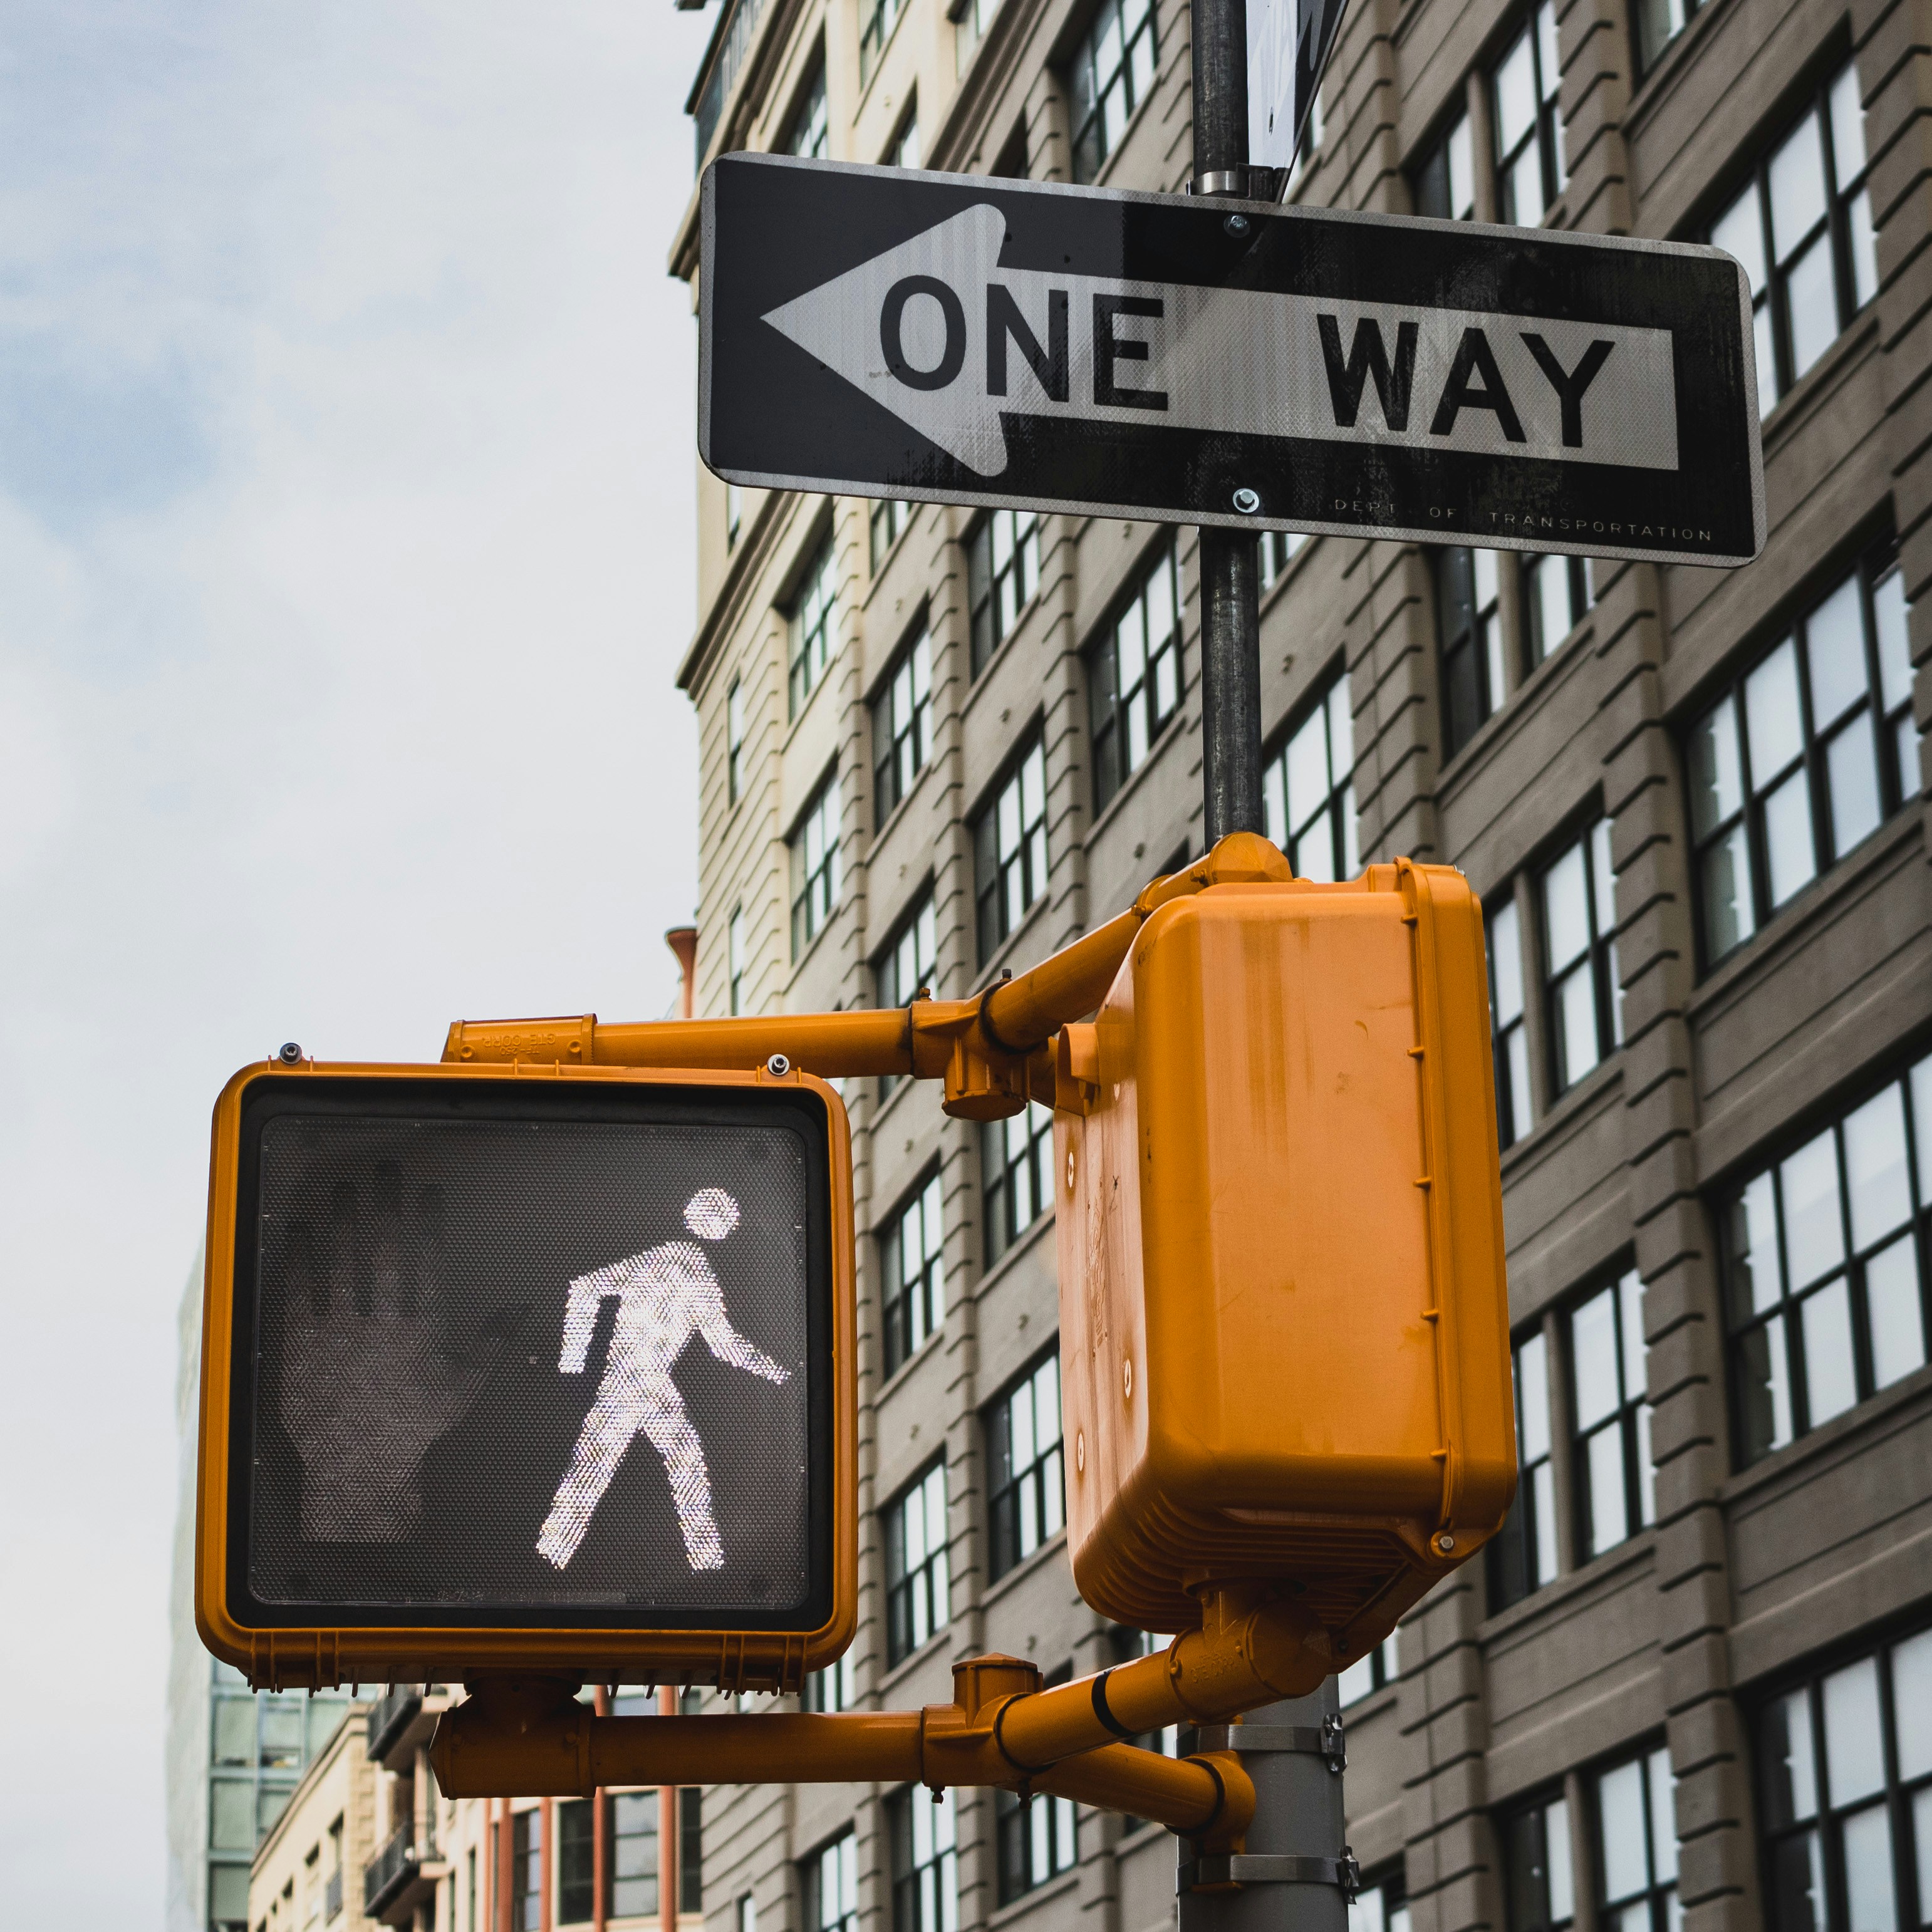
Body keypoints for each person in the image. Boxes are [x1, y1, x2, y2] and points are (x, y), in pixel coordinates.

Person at [538, 1187, 789, 1572]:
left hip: (646, 1383)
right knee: (603, 1468)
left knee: (674, 1464)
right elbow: (587, 1287)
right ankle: (552, 1552)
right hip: (630, 1380)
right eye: (716, 1218)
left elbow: (722, 1345)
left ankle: (705, 1562)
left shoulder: (689, 1271)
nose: (718, 1225)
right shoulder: (670, 1263)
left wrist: (774, 1371)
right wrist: (572, 1361)